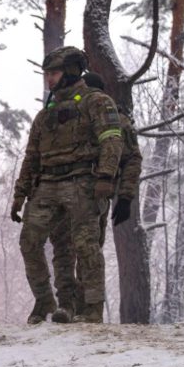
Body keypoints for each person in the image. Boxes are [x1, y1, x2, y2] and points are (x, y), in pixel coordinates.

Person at [11, 47, 124, 324]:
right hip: (47, 184)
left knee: (86, 245)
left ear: (72, 70)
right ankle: (45, 301)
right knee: (29, 241)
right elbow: (31, 157)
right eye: (47, 73)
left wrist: (105, 177)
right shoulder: (44, 115)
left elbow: (112, 140)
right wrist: (19, 194)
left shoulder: (96, 101)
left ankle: (91, 308)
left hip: (82, 181)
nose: (49, 79)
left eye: (54, 73)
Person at [46, 70, 144, 320]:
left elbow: (131, 158)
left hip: (94, 192)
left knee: (87, 248)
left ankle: (90, 310)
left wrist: (125, 197)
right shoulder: (63, 116)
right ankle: (67, 306)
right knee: (63, 249)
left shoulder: (113, 118)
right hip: (61, 190)